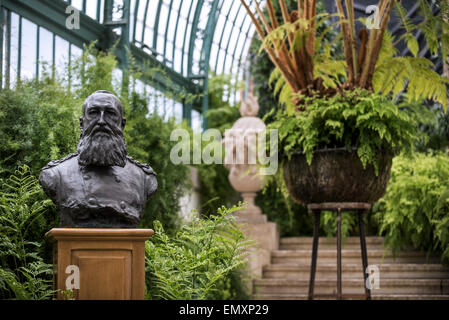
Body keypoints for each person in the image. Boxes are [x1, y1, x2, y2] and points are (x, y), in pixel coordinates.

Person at [39, 90, 157, 228]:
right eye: (94, 113)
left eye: (110, 114)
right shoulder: (56, 175)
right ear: (82, 123)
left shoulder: (144, 178)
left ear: (122, 124)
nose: (101, 121)